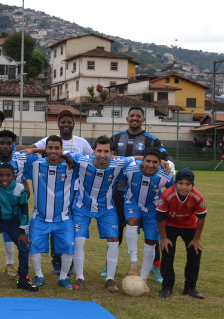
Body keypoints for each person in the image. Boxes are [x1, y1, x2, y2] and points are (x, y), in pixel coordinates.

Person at [19, 109, 92, 276]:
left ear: (74, 123)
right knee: (48, 222)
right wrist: (35, 151)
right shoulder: (40, 160)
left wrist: (66, 158)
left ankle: (67, 267)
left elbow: (91, 159)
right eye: (63, 121)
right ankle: (55, 261)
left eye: (69, 122)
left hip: (72, 192)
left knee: (66, 230)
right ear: (58, 123)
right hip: (47, 195)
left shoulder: (81, 143)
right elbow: (27, 153)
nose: (66, 124)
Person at [110, 105, 174, 283]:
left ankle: (156, 266)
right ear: (127, 118)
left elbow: (167, 159)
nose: (135, 118)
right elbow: (105, 156)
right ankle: (112, 264)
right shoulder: (116, 138)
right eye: (132, 116)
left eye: (138, 116)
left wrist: (167, 164)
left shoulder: (152, 140)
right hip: (121, 192)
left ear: (143, 120)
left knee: (151, 233)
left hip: (149, 194)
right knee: (118, 228)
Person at [68, 136, 134, 292]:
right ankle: (80, 277)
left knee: (113, 239)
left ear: (112, 153)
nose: (102, 155)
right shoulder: (83, 160)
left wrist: (163, 162)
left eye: (106, 151)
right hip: (82, 207)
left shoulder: (118, 163)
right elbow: (60, 152)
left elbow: (137, 160)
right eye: (99, 151)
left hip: (106, 209)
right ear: (93, 151)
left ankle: (110, 279)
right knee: (78, 240)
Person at [22, 136, 74, 291]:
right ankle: (39, 275)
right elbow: (18, 159)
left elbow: (87, 159)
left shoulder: (71, 166)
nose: (53, 151)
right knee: (34, 245)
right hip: (40, 216)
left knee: (68, 246)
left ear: (62, 149)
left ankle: (64, 277)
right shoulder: (36, 165)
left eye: (57, 148)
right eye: (50, 148)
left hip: (63, 217)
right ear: (45, 149)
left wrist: (66, 157)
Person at [0, 129, 31, 278]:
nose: (5, 146)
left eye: (8, 143)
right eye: (1, 143)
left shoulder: (22, 159)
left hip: (13, 213)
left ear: (13, 145)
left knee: (23, 243)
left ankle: (21, 274)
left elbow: (46, 153)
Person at [122, 148, 174, 291]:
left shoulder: (166, 175)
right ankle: (134, 262)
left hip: (153, 208)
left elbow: (173, 192)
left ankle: (143, 278)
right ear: (142, 160)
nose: (150, 165)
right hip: (132, 203)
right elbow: (118, 161)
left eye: (155, 162)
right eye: (148, 161)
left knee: (151, 240)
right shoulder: (131, 167)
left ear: (160, 163)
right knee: (132, 221)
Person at [156, 168, 207, 299]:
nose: (184, 187)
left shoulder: (197, 196)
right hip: (170, 225)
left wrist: (196, 239)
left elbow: (201, 219)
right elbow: (160, 218)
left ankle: (190, 287)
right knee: (167, 253)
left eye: (188, 184)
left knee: (195, 253)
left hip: (189, 226)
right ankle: (167, 286)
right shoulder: (167, 195)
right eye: (180, 183)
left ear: (193, 185)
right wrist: (164, 238)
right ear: (175, 183)